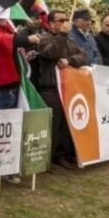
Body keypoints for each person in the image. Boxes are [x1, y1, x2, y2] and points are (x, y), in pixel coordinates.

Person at [0, 6, 41, 191]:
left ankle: (4, 168)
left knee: (9, 132)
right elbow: (8, 41)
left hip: (13, 87)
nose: (3, 16)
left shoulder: (5, 28)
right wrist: (28, 39)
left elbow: (16, 15)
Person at [36, 10, 88, 170]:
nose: (66, 22)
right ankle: (47, 157)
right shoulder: (44, 38)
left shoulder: (70, 40)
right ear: (51, 24)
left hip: (67, 87)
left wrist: (69, 60)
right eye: (61, 20)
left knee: (65, 124)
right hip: (50, 87)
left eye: (66, 19)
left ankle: (61, 154)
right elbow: (52, 53)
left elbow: (83, 56)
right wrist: (62, 35)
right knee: (53, 124)